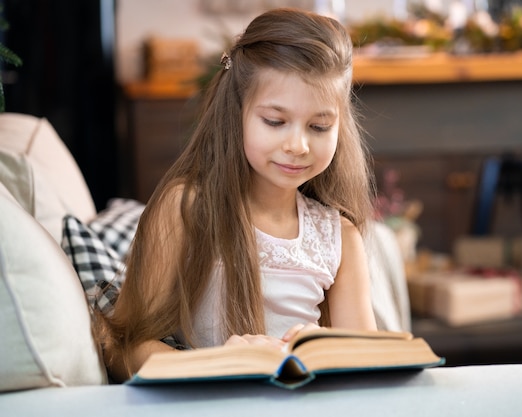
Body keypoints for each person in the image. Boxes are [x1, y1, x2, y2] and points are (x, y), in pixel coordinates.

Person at [100, 7, 378, 382]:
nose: (297, 145)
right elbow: (127, 349)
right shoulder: (187, 208)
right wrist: (216, 364)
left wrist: (327, 347)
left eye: (319, 126)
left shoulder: (339, 236)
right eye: (275, 122)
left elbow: (371, 365)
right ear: (238, 112)